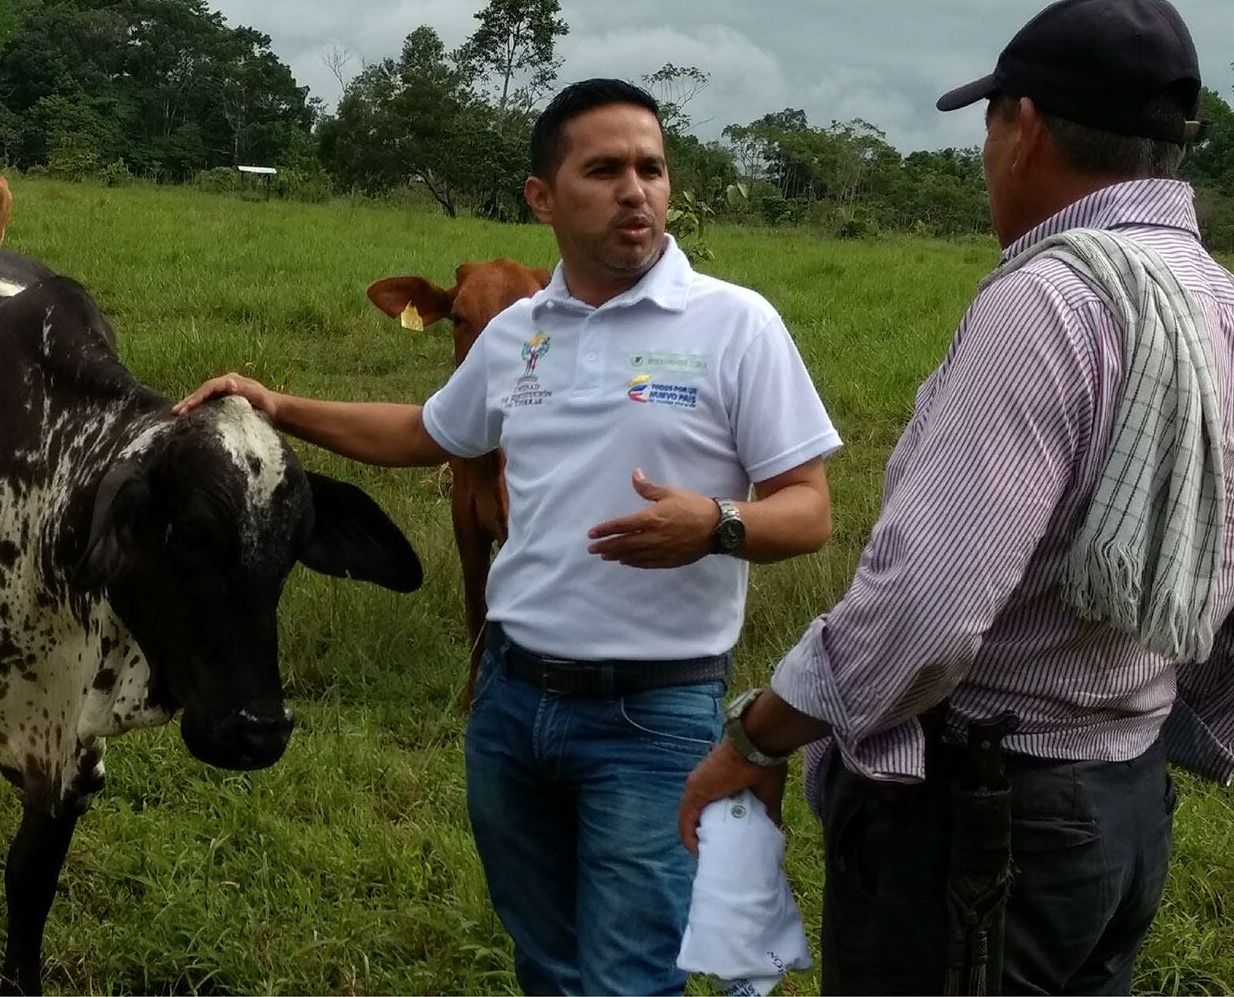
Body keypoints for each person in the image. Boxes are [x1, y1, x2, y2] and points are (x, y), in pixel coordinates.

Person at [176, 78, 841, 995]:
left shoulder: (736, 324)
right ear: (542, 197)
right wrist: (278, 404)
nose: (635, 190)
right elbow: (425, 433)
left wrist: (717, 525)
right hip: (511, 703)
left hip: (653, 715)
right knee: (547, 966)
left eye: (650, 168)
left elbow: (808, 510)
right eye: (604, 169)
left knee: (627, 979)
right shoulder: (517, 331)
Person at [680, 0, 1234, 994]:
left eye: (991, 124)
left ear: (1025, 127)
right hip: (1124, 816)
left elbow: (926, 610)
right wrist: (1158, 732)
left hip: (984, 830)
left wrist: (757, 735)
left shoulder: (1049, 302)